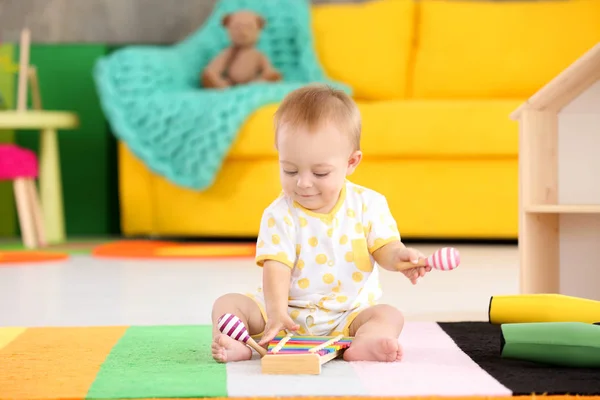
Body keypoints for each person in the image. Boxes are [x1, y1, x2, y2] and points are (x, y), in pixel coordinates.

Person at [211, 84, 431, 363]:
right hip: (283, 315)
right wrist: (276, 312)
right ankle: (237, 345)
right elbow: (276, 267)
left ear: (351, 162)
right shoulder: (279, 214)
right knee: (227, 304)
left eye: (320, 172)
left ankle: (365, 342)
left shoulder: (369, 204)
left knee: (389, 315)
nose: (303, 182)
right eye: (289, 169)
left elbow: (384, 248)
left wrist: (400, 258)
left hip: (347, 315)